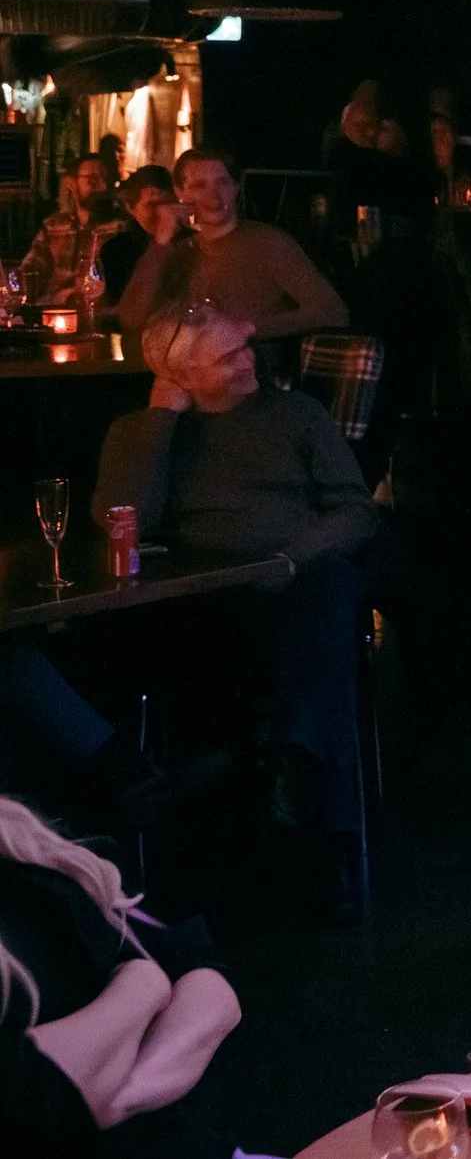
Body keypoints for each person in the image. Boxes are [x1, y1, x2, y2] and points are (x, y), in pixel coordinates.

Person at [94, 302, 380, 921]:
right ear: (181, 376)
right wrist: (161, 420)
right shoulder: (138, 432)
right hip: (199, 601)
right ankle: (273, 798)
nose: (250, 359)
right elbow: (122, 521)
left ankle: (304, 795)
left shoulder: (297, 414)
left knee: (331, 593)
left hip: (294, 589)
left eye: (246, 346)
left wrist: (289, 558)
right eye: (227, 356)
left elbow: (357, 512)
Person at [1, 795, 250, 1148]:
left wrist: (111, 1100)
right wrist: (142, 984)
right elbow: (31, 1098)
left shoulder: (23, 840)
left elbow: (209, 987)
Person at [118, 147, 349, 346]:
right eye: (199, 185)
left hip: (254, 376)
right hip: (195, 378)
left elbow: (332, 311)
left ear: (236, 187)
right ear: (180, 192)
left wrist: (241, 330)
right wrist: (161, 241)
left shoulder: (267, 242)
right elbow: (131, 318)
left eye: (223, 183)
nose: (213, 196)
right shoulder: (183, 250)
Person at [17, 154, 126, 306]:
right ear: (73, 184)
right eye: (92, 179)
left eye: (105, 178)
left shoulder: (121, 227)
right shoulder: (54, 226)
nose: (102, 186)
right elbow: (31, 272)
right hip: (54, 309)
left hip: (100, 310)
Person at [96, 167, 175, 312]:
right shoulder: (115, 250)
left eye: (167, 204)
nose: (162, 213)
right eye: (152, 205)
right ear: (132, 208)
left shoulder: (195, 243)